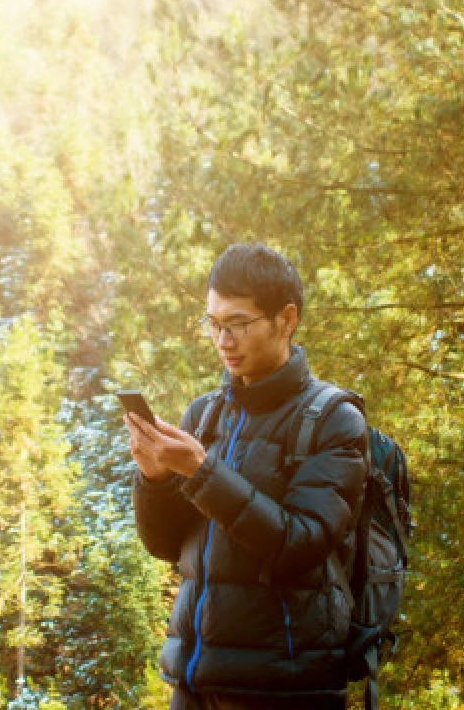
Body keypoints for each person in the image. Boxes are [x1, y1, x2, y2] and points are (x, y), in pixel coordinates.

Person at [125, 243, 369, 709]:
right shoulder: (204, 414)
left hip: (284, 687)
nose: (223, 340)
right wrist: (155, 478)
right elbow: (165, 546)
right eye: (213, 324)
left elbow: (299, 545)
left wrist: (200, 472)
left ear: (287, 319)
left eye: (237, 323)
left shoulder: (333, 420)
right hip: (193, 682)